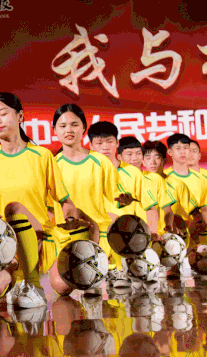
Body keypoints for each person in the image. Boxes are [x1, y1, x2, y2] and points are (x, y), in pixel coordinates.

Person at [0, 93, 91, 308]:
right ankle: (18, 275)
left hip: (42, 237)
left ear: (20, 116)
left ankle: (33, 284)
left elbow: (65, 201)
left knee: (63, 287)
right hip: (6, 244)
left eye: (3, 114)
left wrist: (70, 218)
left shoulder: (42, 156)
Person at [50, 104, 126, 289]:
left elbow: (117, 201)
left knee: (100, 291)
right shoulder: (51, 166)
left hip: (100, 236)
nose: (69, 130)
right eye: (63, 126)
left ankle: (111, 267)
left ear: (84, 128)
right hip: (66, 238)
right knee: (61, 287)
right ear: (55, 130)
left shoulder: (100, 162)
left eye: (74, 124)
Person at [87, 121, 159, 235]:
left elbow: (150, 208)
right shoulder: (85, 172)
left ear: (117, 143)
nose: (105, 147)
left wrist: (152, 234)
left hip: (127, 237)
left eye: (109, 141)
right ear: (91, 146)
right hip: (94, 236)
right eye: (99, 143)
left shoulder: (132, 172)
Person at [164, 134, 207, 248]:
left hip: (195, 227)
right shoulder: (164, 178)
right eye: (178, 148)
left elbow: (203, 208)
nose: (182, 152)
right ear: (170, 152)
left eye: (185, 148)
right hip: (173, 228)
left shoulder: (201, 179)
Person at [120, 137, 177, 239]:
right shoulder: (114, 180)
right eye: (129, 154)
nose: (134, 158)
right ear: (119, 157)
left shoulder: (155, 179)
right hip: (126, 237)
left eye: (138, 153)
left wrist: (169, 225)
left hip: (156, 237)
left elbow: (168, 210)